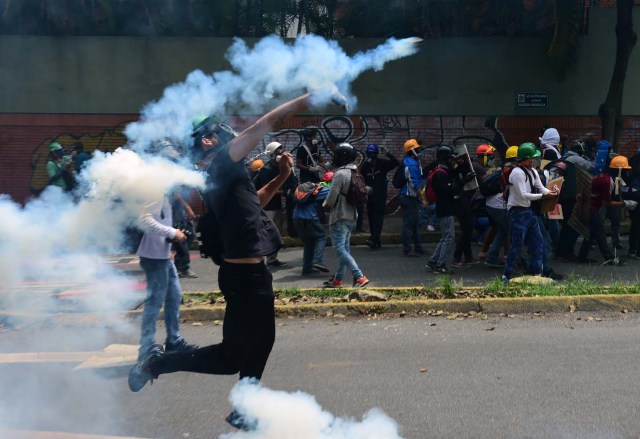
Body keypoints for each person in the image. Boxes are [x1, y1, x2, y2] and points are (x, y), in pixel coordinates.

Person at [127, 92, 347, 431]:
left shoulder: (224, 176)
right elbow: (266, 123)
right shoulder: (224, 162)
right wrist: (311, 96)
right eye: (220, 129)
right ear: (208, 139)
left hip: (251, 273)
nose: (231, 132)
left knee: (262, 341)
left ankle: (245, 408)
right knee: (232, 357)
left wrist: (281, 178)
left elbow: (253, 204)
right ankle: (156, 364)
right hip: (244, 278)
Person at [135, 191, 197, 361]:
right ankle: (146, 348)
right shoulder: (155, 191)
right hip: (153, 257)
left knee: (174, 297)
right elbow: (144, 221)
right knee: (155, 303)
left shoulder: (162, 191)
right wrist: (172, 233)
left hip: (162, 256)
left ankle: (173, 342)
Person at [501, 142, 558, 283]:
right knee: (517, 244)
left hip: (528, 210)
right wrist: (544, 196)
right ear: (524, 159)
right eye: (531, 158)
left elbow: (539, 187)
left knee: (538, 241)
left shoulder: (532, 171)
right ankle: (506, 276)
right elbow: (523, 195)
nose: (533, 161)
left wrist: (550, 192)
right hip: (517, 212)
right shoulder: (517, 173)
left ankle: (537, 274)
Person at [322, 143, 370, 288]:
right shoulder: (355, 172)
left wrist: (323, 205)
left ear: (341, 157)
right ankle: (338, 280)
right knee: (345, 249)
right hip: (352, 215)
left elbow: (331, 198)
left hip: (339, 216)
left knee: (339, 249)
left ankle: (360, 276)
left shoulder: (340, 174)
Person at [577, 154, 628, 266]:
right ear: (618, 171)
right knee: (600, 232)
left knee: (592, 233)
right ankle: (609, 258)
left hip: (589, 207)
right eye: (624, 170)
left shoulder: (604, 177)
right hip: (591, 208)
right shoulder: (607, 181)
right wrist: (624, 204)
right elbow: (606, 203)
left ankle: (582, 256)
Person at [253, 141, 297, 267]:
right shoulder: (266, 170)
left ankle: (272, 259)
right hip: (267, 207)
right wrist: (284, 192)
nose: (281, 153)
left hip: (276, 205)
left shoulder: (278, 167)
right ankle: (258, 260)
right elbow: (268, 188)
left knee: (275, 232)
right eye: (278, 151)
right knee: (264, 233)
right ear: (272, 155)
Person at [426, 146, 465, 274]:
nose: (452, 160)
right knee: (449, 238)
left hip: (443, 207)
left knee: (445, 237)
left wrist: (459, 167)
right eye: (450, 158)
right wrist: (461, 183)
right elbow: (447, 191)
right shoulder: (440, 174)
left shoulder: (442, 170)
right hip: (445, 208)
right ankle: (440, 265)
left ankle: (433, 261)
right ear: (445, 159)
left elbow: (452, 175)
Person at [359, 143, 399, 249]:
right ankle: (375, 239)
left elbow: (396, 163)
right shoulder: (365, 166)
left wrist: (387, 153)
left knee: (378, 218)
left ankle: (373, 239)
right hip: (370, 196)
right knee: (372, 218)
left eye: (373, 154)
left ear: (376, 154)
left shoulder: (382, 163)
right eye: (369, 154)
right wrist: (365, 188)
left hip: (380, 196)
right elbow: (360, 179)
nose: (371, 156)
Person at [292, 175, 331, 275]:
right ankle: (318, 260)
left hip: (296, 218)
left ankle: (306, 268)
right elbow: (332, 192)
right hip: (310, 218)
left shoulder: (301, 191)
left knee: (309, 243)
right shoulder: (319, 190)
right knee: (321, 237)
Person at [399, 139, 426, 257]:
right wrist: (423, 199)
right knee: (409, 225)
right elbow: (415, 183)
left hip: (410, 197)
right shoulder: (410, 164)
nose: (419, 151)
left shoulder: (412, 162)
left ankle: (418, 248)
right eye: (417, 149)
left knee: (415, 224)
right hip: (409, 197)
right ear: (412, 151)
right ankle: (407, 249)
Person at [172, 190, 198, 278]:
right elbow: (175, 192)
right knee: (182, 237)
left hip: (180, 207)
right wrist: (187, 207)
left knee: (189, 235)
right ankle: (182, 267)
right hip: (176, 207)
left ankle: (179, 265)